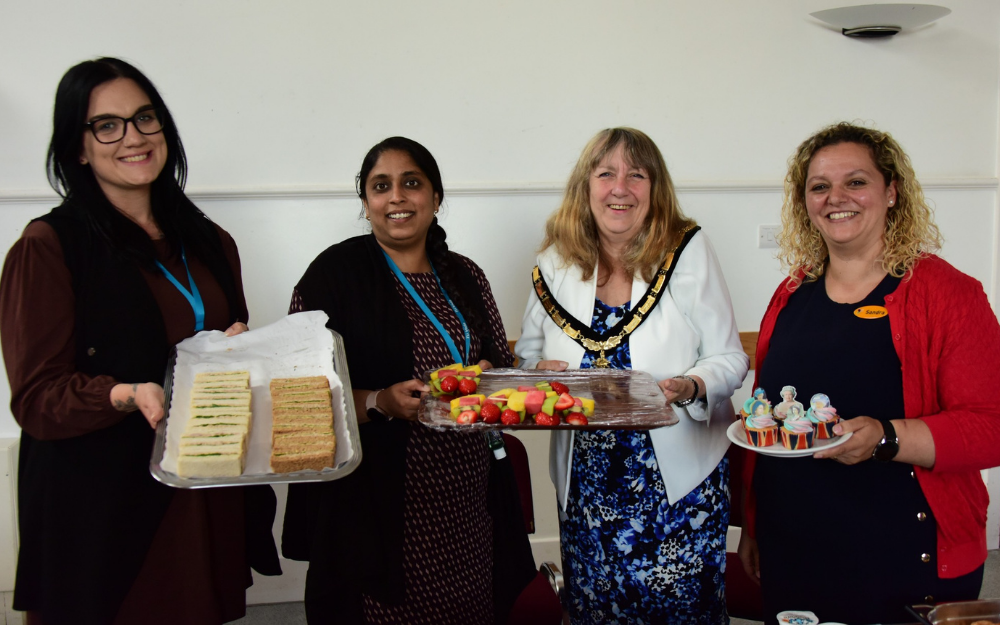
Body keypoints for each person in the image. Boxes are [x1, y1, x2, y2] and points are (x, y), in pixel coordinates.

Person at [0, 58, 280, 625]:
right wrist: (125, 394)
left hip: (203, 485)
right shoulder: (51, 246)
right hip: (107, 508)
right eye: (107, 125)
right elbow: (36, 398)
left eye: (145, 118)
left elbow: (229, 338)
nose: (132, 137)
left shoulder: (210, 241)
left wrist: (238, 349)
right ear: (78, 148)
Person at [737, 122, 1000, 623]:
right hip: (793, 548)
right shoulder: (792, 294)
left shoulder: (948, 294)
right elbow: (767, 417)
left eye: (855, 181)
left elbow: (992, 426)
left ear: (892, 191)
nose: (836, 197)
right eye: (819, 186)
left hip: (903, 554)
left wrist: (886, 438)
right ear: (805, 201)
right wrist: (753, 527)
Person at [280, 136, 535, 624]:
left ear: (435, 198)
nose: (397, 197)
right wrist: (378, 401)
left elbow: (501, 370)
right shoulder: (333, 275)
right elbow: (297, 396)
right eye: (381, 186)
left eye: (411, 183)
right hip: (375, 507)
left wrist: (488, 379)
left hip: (465, 499)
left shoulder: (465, 276)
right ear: (366, 203)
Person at [516, 127, 749, 623]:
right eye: (606, 174)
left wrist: (691, 386)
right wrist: (539, 372)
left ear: (654, 189)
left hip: (679, 488)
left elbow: (730, 358)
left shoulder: (686, 250)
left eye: (636, 175)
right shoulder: (554, 261)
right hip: (587, 491)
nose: (620, 187)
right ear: (587, 187)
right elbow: (529, 358)